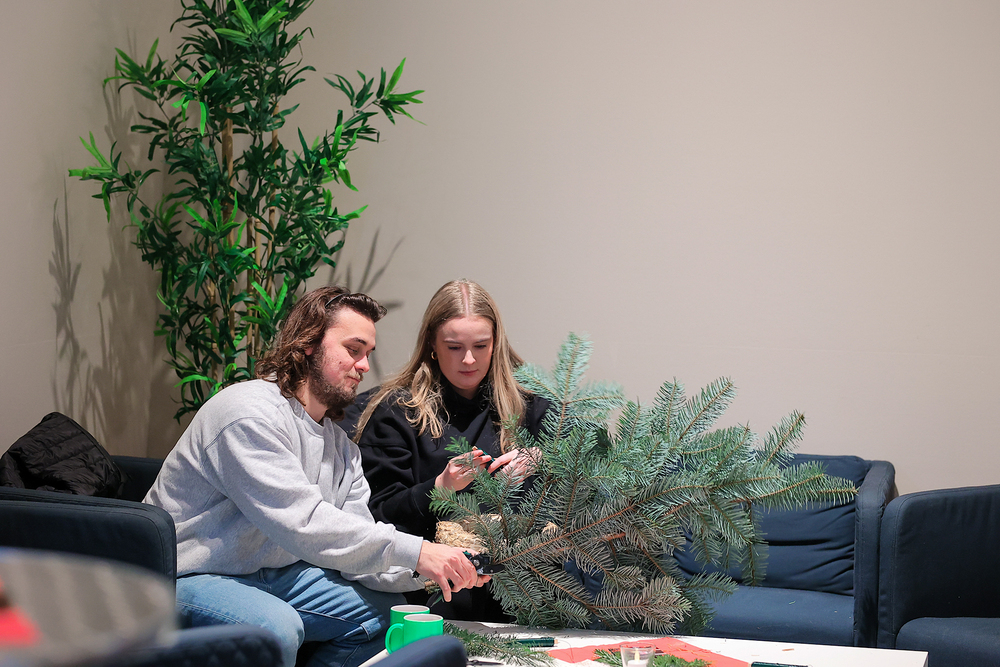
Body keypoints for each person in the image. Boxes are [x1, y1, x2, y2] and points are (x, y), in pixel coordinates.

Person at [143, 286, 488, 667]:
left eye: (368, 353)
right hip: (183, 576)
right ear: (308, 344)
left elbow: (354, 550)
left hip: (273, 574)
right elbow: (304, 523)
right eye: (353, 349)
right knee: (273, 628)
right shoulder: (248, 414)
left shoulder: (341, 449)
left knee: (382, 614)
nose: (364, 366)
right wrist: (420, 551)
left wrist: (440, 569)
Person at [341, 279, 549, 620]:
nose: (469, 359)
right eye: (454, 347)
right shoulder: (397, 412)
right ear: (432, 346)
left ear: (496, 344)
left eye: (481, 346)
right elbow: (376, 514)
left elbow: (595, 459)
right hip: (430, 595)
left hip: (524, 592)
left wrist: (542, 459)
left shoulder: (528, 407)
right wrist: (439, 488)